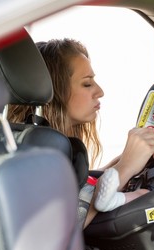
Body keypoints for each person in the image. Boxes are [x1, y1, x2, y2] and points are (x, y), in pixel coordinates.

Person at [6, 38, 104, 168]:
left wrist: (118, 167)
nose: (100, 92)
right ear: (55, 91)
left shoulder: (20, 139)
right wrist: (126, 166)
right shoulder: (35, 153)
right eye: (87, 84)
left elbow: (77, 188)